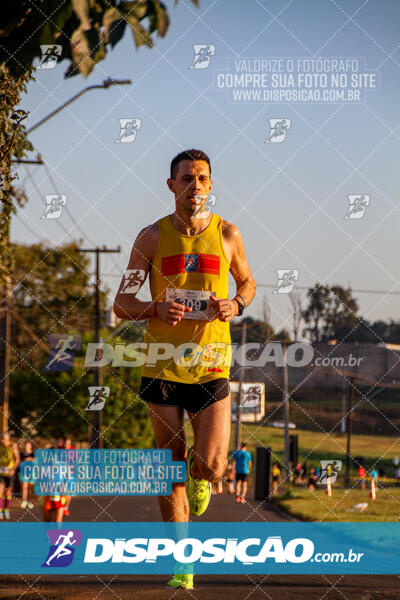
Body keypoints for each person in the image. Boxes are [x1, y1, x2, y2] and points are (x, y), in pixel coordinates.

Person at [113, 149, 256, 589]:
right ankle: (182, 562)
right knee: (168, 464)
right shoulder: (149, 239)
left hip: (211, 362)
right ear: (171, 185)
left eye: (202, 178)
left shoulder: (228, 234)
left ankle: (203, 479)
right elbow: (122, 302)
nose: (195, 186)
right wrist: (155, 307)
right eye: (186, 179)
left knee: (211, 465)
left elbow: (248, 282)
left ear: (211, 186)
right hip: (161, 364)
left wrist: (236, 303)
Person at [0, 432, 20, 520]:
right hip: (0, 472)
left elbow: (17, 458)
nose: (4, 441)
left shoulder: (13, 446)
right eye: (2, 439)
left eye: (6, 439)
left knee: (8, 491)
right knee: (0, 490)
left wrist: (13, 469)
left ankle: (6, 509)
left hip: (9, 472)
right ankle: (0, 510)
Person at [20, 440, 35, 509]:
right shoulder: (22, 453)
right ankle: (24, 501)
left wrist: (30, 459)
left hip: (32, 473)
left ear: (31, 446)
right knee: (24, 487)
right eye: (26, 445)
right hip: (24, 472)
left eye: (29, 445)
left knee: (30, 488)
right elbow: (20, 462)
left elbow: (35, 461)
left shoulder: (33, 454)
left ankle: (30, 501)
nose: (27, 446)